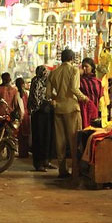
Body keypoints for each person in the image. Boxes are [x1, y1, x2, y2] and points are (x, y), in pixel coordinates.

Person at [46, 49, 88, 180]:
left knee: (60, 141)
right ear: (72, 58)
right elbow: (74, 89)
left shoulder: (53, 73)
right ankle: (76, 169)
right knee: (74, 140)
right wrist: (84, 98)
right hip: (71, 108)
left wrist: (57, 97)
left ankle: (62, 169)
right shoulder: (74, 70)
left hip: (58, 108)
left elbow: (48, 94)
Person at [27, 66, 55, 172]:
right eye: (43, 72)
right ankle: (38, 163)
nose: (45, 73)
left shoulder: (47, 82)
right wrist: (45, 103)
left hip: (47, 112)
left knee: (47, 137)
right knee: (39, 138)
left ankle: (46, 161)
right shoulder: (36, 81)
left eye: (45, 71)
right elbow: (35, 97)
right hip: (38, 113)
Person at [79, 57, 102, 129]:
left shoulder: (98, 82)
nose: (84, 68)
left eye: (86, 66)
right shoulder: (80, 81)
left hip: (95, 109)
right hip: (83, 110)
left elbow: (100, 96)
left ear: (92, 67)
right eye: (83, 67)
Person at [15, 76, 30, 159]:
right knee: (26, 135)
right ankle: (25, 152)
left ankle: (22, 152)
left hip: (21, 115)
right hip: (26, 115)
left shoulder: (17, 93)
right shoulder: (26, 93)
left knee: (21, 135)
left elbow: (18, 106)